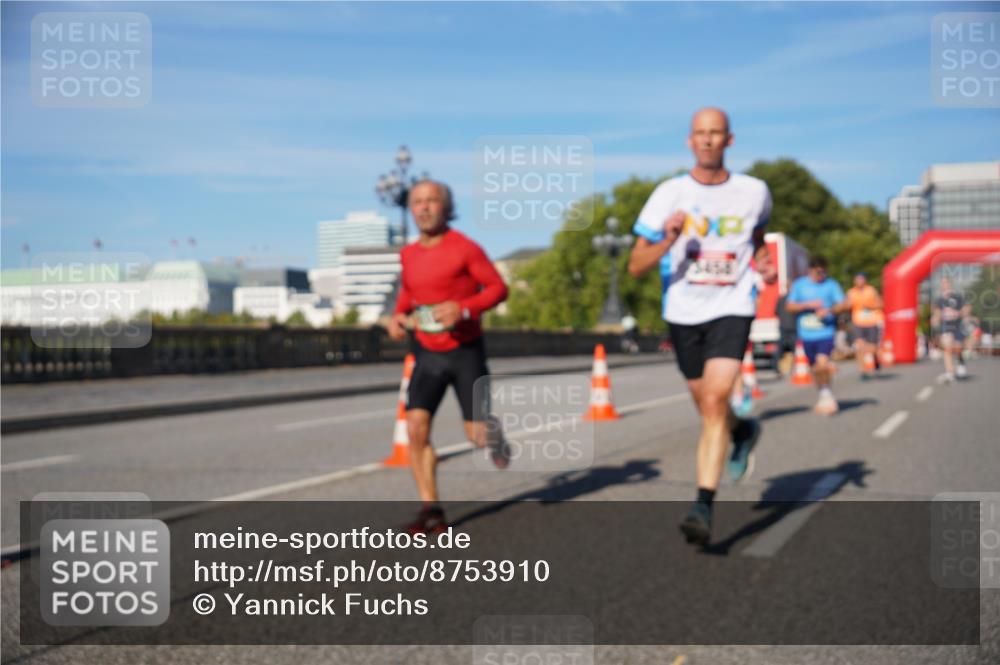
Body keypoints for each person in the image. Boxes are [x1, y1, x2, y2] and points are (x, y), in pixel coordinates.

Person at [628, 107, 775, 546]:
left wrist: (763, 262)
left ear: (730, 140)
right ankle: (743, 429)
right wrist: (668, 239)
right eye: (700, 134)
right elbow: (635, 265)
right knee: (708, 406)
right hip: (683, 311)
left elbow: (757, 239)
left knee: (714, 399)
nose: (708, 140)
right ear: (689, 141)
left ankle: (703, 505)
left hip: (733, 304)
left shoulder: (754, 192)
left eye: (716, 134)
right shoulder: (668, 194)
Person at [387, 180, 509, 533]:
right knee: (415, 428)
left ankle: (494, 434)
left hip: (465, 351)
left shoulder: (466, 248)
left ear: (446, 206)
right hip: (426, 351)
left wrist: (465, 310)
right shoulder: (408, 254)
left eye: (432, 201)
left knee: (477, 436)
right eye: (417, 202)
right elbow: (409, 291)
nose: (424, 208)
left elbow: (499, 288)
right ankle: (432, 509)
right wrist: (397, 316)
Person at [785, 255, 848, 415]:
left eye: (824, 272)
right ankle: (824, 394)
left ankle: (826, 396)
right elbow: (789, 306)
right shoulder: (800, 285)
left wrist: (829, 310)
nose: (822, 276)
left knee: (822, 363)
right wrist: (808, 305)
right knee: (816, 368)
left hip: (825, 332)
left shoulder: (831, 284)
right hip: (806, 335)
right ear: (810, 270)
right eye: (819, 272)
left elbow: (844, 304)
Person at [932, 277, 970, 383]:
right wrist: (936, 320)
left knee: (957, 348)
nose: (944, 285)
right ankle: (950, 372)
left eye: (946, 283)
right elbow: (937, 312)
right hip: (946, 326)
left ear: (950, 284)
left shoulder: (958, 297)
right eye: (942, 283)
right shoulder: (939, 299)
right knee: (947, 348)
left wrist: (959, 313)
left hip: (958, 325)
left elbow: (967, 309)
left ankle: (961, 362)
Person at [846, 272, 883, 379]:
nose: (859, 281)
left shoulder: (871, 290)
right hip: (858, 322)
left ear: (865, 280)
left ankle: (875, 358)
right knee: (859, 347)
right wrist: (847, 305)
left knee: (873, 348)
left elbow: (880, 304)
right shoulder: (851, 292)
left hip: (872, 322)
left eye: (861, 279)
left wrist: (870, 306)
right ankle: (862, 371)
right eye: (857, 279)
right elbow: (846, 305)